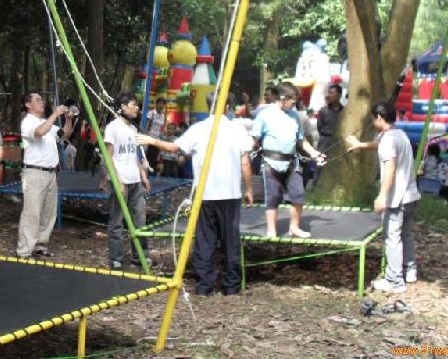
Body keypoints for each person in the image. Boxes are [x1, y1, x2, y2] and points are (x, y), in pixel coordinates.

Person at [139, 92, 253, 294]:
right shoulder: (236, 129)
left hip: (207, 194)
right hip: (228, 194)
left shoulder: (199, 129)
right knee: (230, 240)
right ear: (227, 107)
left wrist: (152, 141)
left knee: (205, 239)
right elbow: (245, 161)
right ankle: (231, 285)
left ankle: (205, 285)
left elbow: (175, 148)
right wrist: (249, 188)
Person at [346, 101, 420, 293]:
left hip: (397, 198)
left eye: (373, 118)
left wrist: (382, 196)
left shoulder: (389, 139)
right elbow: (379, 145)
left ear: (379, 118)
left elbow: (390, 168)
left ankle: (395, 281)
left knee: (392, 237)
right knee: (406, 234)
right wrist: (360, 145)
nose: (372, 121)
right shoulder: (399, 134)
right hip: (412, 195)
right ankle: (409, 271)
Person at [251, 82, 326, 238]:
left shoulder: (294, 116)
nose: (295, 105)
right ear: (283, 98)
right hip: (271, 163)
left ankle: (294, 227)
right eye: (293, 102)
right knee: (273, 197)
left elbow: (301, 140)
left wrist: (315, 154)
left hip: (292, 163)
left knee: (298, 194)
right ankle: (271, 230)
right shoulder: (264, 115)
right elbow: (254, 139)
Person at [16, 92, 74, 259]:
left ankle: (40, 245)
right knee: (32, 212)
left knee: (48, 212)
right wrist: (55, 114)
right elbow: (40, 132)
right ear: (28, 105)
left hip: (50, 173)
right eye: (37, 100)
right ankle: (24, 250)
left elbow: (64, 134)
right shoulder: (28, 122)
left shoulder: (45, 121)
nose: (42, 103)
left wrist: (69, 119)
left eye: (42, 100)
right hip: (34, 173)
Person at [102, 92, 151, 270]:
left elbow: (135, 155)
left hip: (135, 180)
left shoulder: (133, 129)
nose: (137, 108)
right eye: (133, 104)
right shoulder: (112, 128)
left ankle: (141, 256)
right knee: (117, 221)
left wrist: (143, 175)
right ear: (123, 106)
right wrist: (117, 181)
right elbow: (108, 156)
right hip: (120, 180)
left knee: (140, 220)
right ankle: (116, 257)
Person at [143, 98, 167, 171]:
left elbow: (163, 128)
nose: (161, 105)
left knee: (154, 157)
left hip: (157, 139)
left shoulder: (163, 116)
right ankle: (144, 172)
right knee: (146, 156)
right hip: (149, 138)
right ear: (156, 104)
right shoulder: (151, 113)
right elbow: (146, 125)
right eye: (160, 103)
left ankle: (150, 174)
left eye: (163, 104)